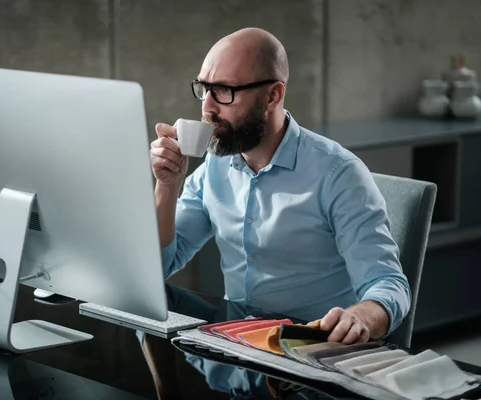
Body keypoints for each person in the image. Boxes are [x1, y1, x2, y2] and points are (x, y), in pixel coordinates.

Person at [149, 27, 410, 345]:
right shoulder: (215, 168)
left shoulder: (338, 174)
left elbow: (388, 283)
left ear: (272, 95)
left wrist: (360, 318)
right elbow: (158, 268)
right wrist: (166, 185)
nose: (207, 107)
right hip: (232, 353)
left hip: (307, 357)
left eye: (224, 91)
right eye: (204, 89)